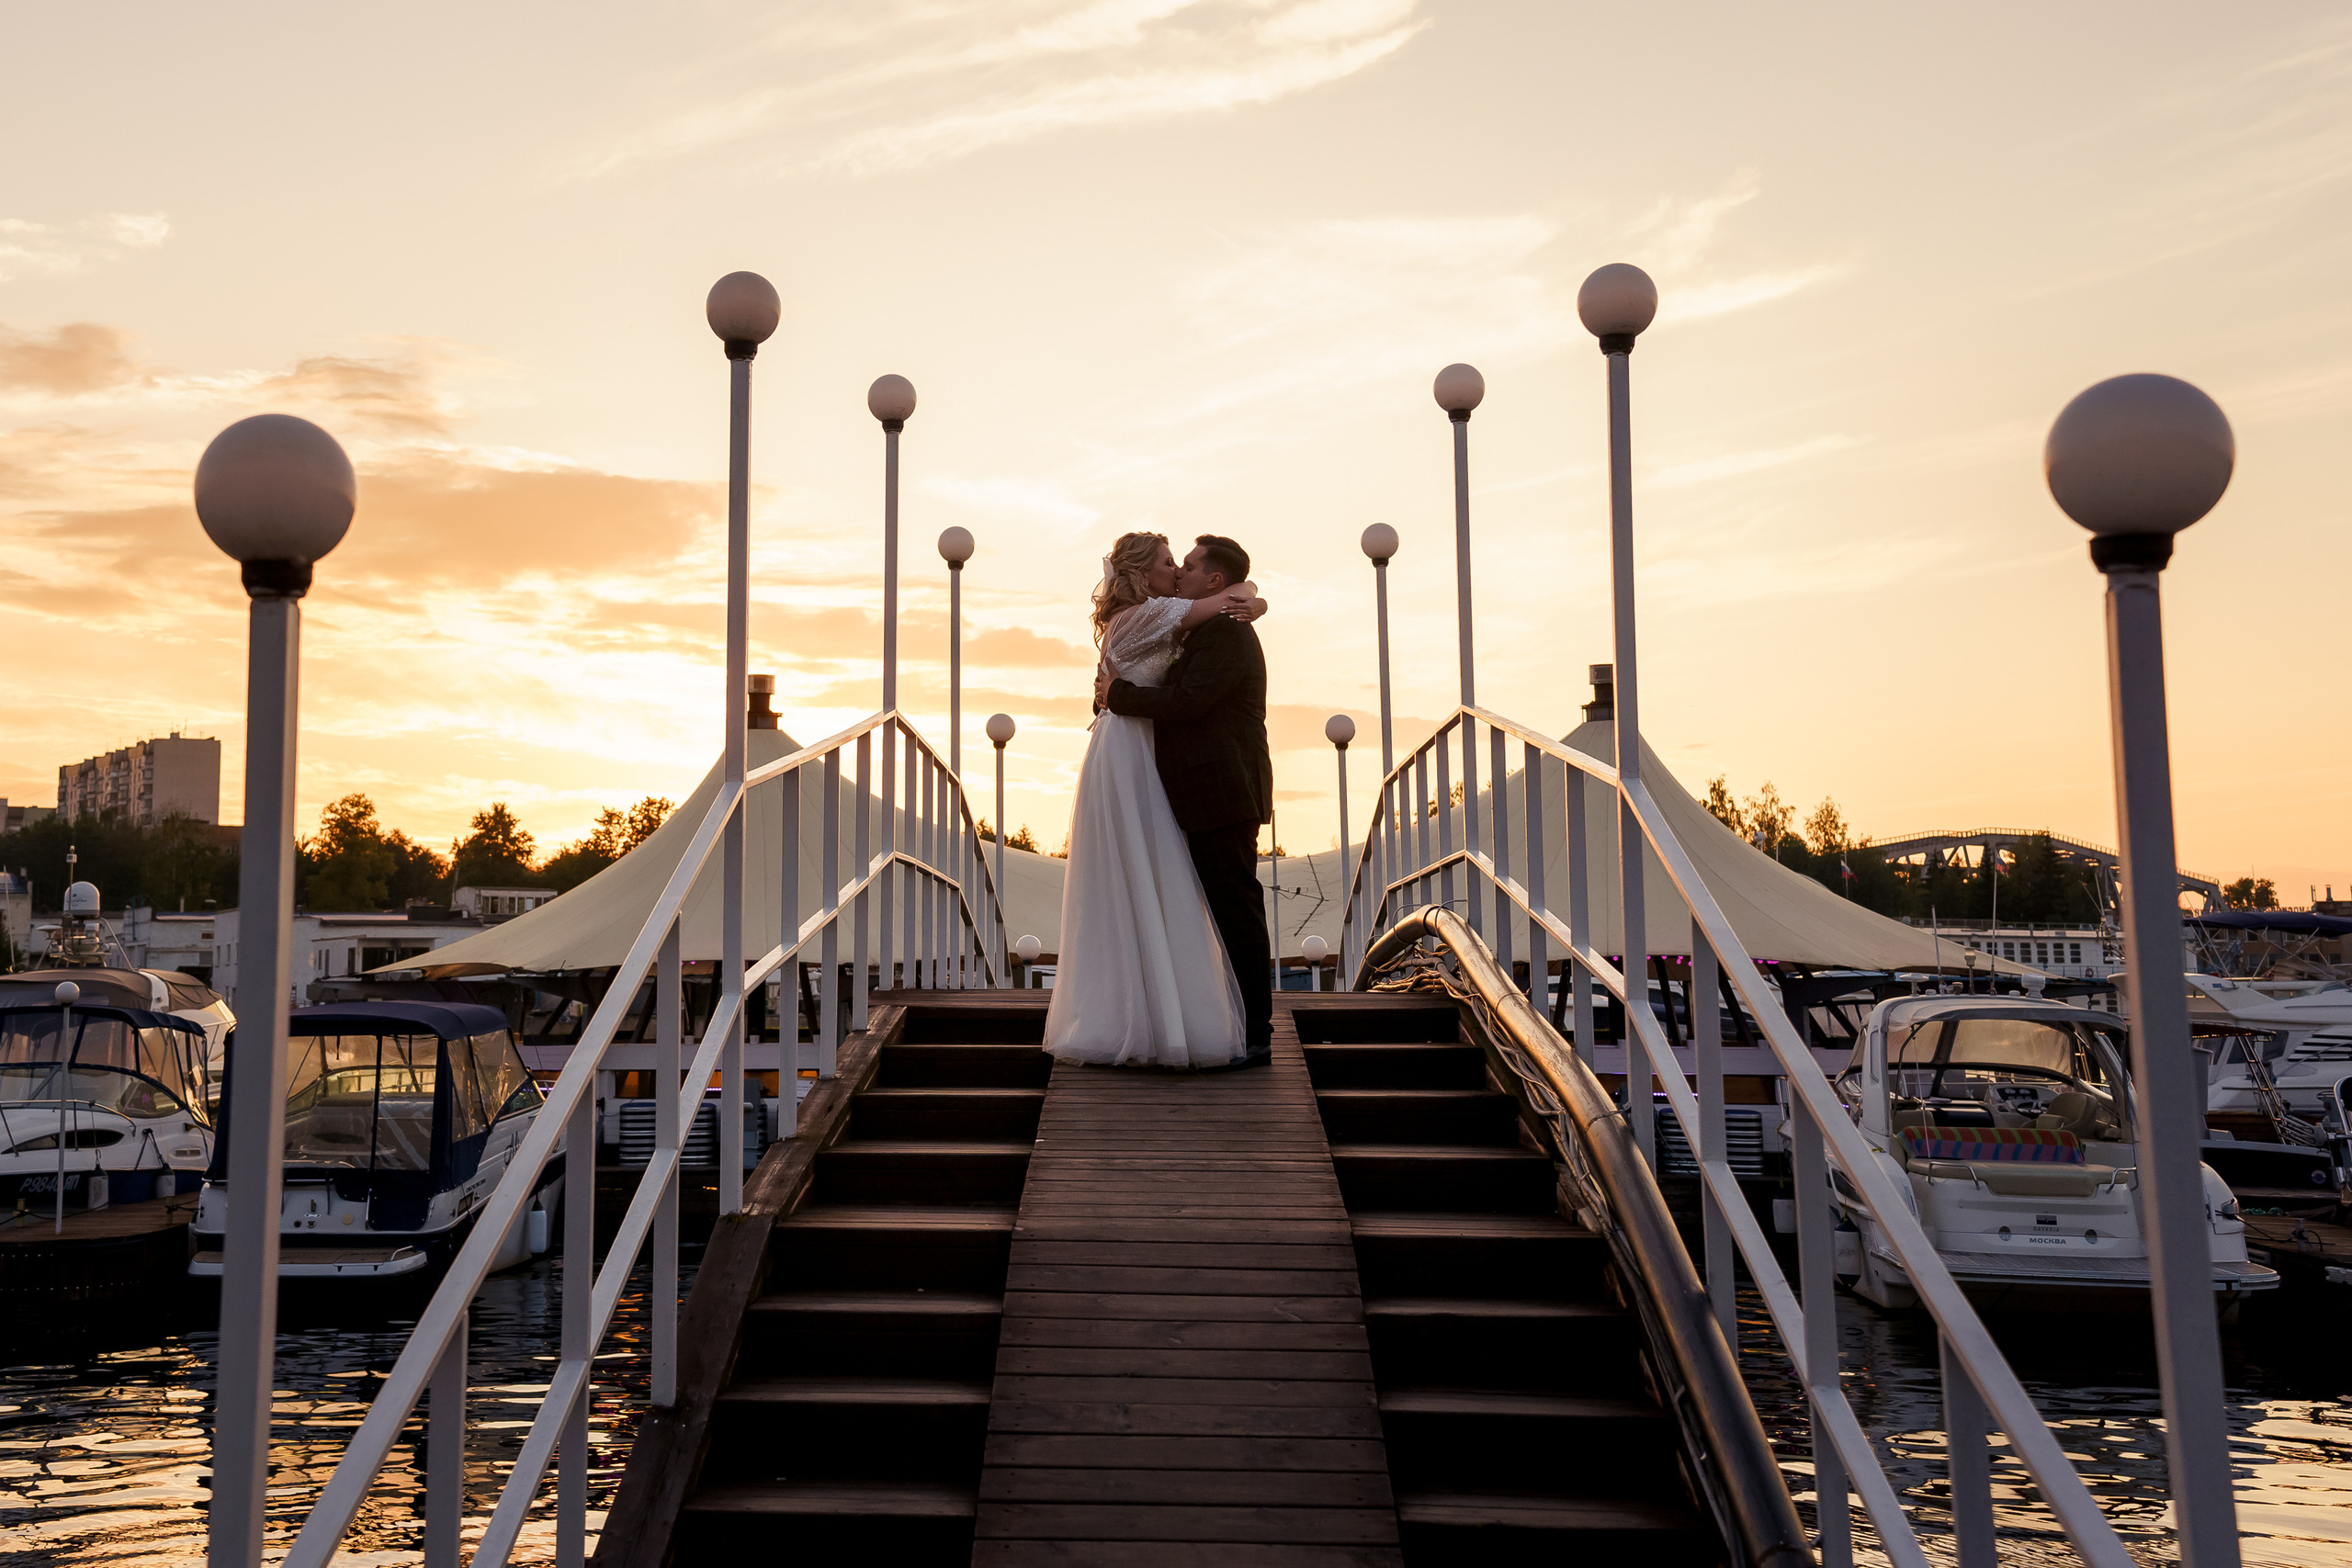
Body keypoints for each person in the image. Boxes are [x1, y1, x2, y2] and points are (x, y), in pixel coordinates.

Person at [1043, 532, 1265, 1068]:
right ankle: (1163, 1018)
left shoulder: (1216, 628)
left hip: (1193, 775)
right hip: (1135, 756)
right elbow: (1226, 598)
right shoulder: (1154, 616)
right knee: (1152, 881)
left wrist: (1253, 596)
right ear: (1145, 575)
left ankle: (1243, 1028)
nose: (1178, 571)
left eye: (1185, 564)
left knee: (1209, 898)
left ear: (1211, 578)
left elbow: (1191, 696)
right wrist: (1250, 596)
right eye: (1171, 563)